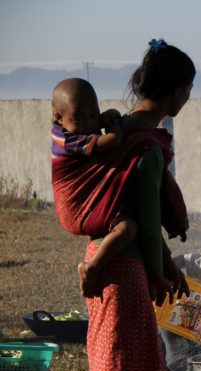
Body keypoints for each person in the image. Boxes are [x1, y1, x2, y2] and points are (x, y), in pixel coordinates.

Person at [82, 38, 195, 371]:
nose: (187, 98)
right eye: (187, 89)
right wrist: (160, 271)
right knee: (121, 358)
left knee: (117, 351)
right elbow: (147, 222)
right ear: (174, 91)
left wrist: (168, 266)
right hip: (123, 265)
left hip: (102, 256)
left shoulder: (120, 129)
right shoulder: (147, 145)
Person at [50, 77, 138, 298]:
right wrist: (114, 127)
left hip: (81, 205)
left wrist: (107, 116)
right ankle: (92, 266)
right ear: (59, 117)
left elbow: (98, 124)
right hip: (75, 208)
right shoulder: (68, 140)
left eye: (93, 114)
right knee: (127, 228)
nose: (89, 123)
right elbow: (113, 141)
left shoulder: (74, 128)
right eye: (79, 118)